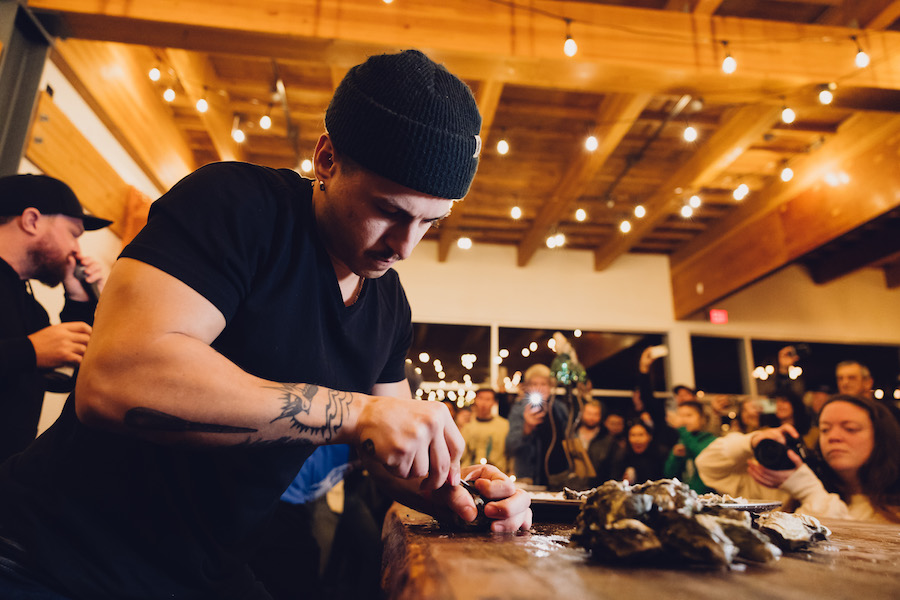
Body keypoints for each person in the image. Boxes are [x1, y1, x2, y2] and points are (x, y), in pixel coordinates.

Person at [0, 50, 531, 599]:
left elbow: (394, 453)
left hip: (203, 572)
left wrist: (462, 491)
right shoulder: (238, 205)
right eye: (390, 210)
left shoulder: (388, 304)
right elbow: (114, 379)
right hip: (48, 555)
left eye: (430, 222)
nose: (405, 246)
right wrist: (356, 411)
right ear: (327, 159)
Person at [0, 174, 110, 464]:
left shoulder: (30, 306)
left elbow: (64, 374)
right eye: (73, 234)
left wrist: (79, 300)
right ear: (32, 220)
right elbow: (29, 355)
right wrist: (30, 351)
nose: (77, 250)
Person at [695, 394, 900, 523]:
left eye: (850, 429)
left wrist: (808, 489)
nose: (834, 437)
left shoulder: (893, 508)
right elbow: (707, 465)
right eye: (825, 429)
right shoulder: (789, 483)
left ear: (881, 436)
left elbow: (851, 549)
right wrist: (753, 441)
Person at [506, 363, 569, 486]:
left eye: (543, 384)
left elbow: (570, 438)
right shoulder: (519, 409)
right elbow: (510, 446)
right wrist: (527, 428)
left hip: (559, 476)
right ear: (528, 387)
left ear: (550, 386)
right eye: (534, 384)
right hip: (529, 477)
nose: (539, 388)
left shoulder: (560, 409)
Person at [663, 401, 716, 493]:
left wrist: (681, 428)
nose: (683, 420)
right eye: (680, 416)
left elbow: (700, 455)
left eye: (688, 415)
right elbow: (669, 475)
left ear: (702, 418)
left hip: (707, 498)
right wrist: (675, 458)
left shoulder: (712, 441)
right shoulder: (683, 440)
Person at [461, 388, 509, 473]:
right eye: (481, 398)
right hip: (470, 472)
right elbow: (462, 453)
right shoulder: (467, 425)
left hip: (497, 472)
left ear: (494, 402)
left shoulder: (504, 425)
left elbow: (509, 453)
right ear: (475, 401)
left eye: (488, 399)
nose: (484, 403)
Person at [607, 420, 666, 485]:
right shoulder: (622, 455)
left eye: (641, 435)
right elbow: (613, 480)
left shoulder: (661, 454)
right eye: (633, 435)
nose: (636, 439)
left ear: (650, 437)